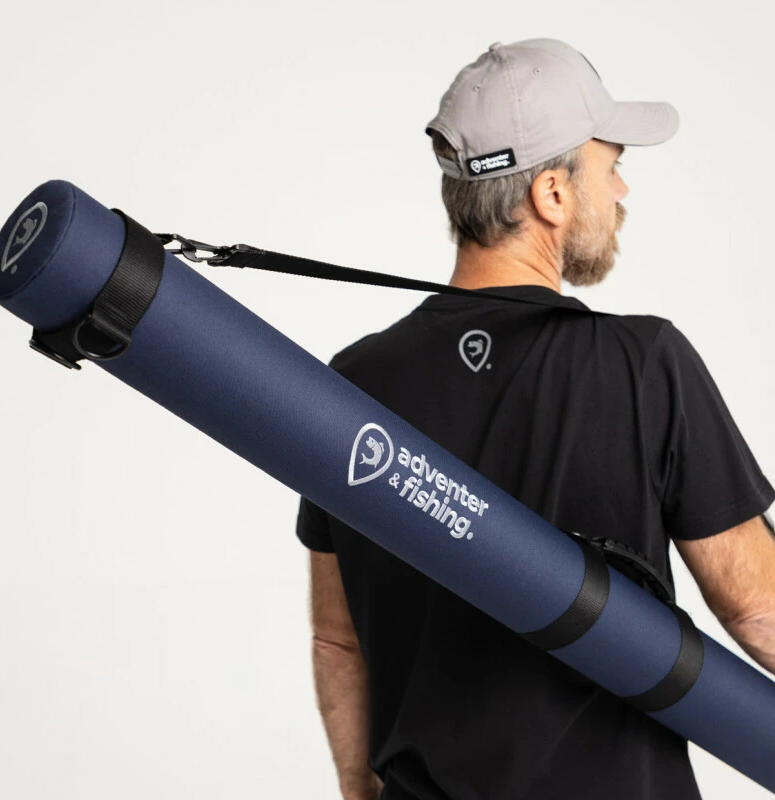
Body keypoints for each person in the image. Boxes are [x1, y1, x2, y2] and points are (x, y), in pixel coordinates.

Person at [294, 38, 775, 800]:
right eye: (610, 166)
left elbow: (336, 640)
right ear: (552, 193)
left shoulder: (350, 387)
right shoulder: (642, 364)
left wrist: (361, 791)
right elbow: (760, 611)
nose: (621, 190)